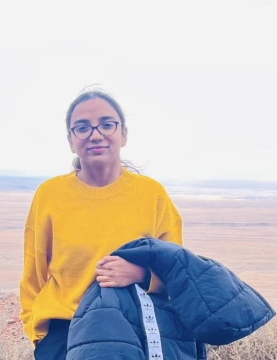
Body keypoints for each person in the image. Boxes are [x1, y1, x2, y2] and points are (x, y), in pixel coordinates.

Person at [19, 89, 183, 359]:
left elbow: (177, 273)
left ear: (124, 134)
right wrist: (39, 336)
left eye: (107, 124)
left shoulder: (152, 195)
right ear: (71, 141)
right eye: (82, 127)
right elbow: (33, 276)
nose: (95, 134)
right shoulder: (49, 195)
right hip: (65, 335)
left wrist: (142, 276)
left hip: (134, 334)